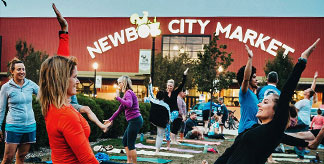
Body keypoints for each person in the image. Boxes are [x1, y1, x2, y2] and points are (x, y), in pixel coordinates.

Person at [214, 39, 320, 164]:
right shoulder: (257, 130)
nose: (259, 104)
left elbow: (286, 92)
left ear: (276, 111)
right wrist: (307, 143)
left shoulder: (274, 129)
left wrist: (302, 59)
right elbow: (228, 154)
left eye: (265, 102)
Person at [52, 3, 110, 133]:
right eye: (75, 77)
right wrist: (64, 27)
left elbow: (64, 49)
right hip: (64, 104)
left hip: (70, 100)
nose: (77, 81)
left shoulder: (67, 70)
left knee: (83, 114)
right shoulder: (59, 74)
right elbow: (63, 53)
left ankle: (101, 126)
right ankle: (101, 126)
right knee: (85, 110)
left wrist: (65, 27)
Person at [39, 56, 101, 163]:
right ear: (61, 80)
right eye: (75, 77)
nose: (78, 81)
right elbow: (87, 160)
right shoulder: (66, 115)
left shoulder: (52, 107)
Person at [0, 58, 38, 164]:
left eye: (23, 69)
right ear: (12, 71)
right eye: (19, 69)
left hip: (29, 126)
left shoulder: (30, 84)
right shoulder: (6, 87)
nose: (22, 72)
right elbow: (1, 109)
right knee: (8, 158)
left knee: (21, 157)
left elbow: (44, 95)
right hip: (13, 127)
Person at [106, 76, 143, 164]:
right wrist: (110, 119)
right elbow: (119, 110)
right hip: (134, 121)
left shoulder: (128, 93)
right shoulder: (126, 94)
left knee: (130, 143)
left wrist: (118, 98)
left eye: (120, 83)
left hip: (135, 120)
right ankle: (129, 161)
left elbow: (129, 104)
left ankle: (134, 163)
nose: (118, 85)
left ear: (124, 83)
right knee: (125, 141)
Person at [236, 45, 258, 134]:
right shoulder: (244, 92)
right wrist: (250, 58)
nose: (256, 79)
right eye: (254, 77)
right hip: (245, 130)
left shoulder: (253, 95)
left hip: (252, 129)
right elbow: (246, 78)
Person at [163, 68, 188, 144]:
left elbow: (182, 85)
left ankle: (174, 140)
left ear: (173, 87)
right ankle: (171, 140)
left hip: (175, 112)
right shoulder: (164, 94)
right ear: (166, 86)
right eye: (168, 86)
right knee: (170, 126)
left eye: (171, 86)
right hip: (168, 112)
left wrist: (184, 75)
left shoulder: (175, 93)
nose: (169, 87)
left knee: (176, 126)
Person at [147, 78, 171, 153]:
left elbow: (150, 93)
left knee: (159, 134)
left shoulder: (153, 101)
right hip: (161, 122)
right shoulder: (166, 106)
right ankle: (157, 150)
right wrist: (169, 122)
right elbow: (169, 116)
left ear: (157, 96)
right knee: (160, 135)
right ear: (164, 97)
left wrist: (150, 84)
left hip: (153, 120)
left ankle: (157, 150)